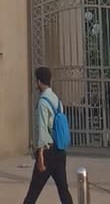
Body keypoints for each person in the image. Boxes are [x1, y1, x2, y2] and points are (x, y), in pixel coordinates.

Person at [21, 69, 72, 204]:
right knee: (63, 190)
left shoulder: (43, 102)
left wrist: (40, 156)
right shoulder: (57, 100)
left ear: (39, 81)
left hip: (47, 152)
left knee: (33, 192)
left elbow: (43, 130)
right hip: (59, 151)